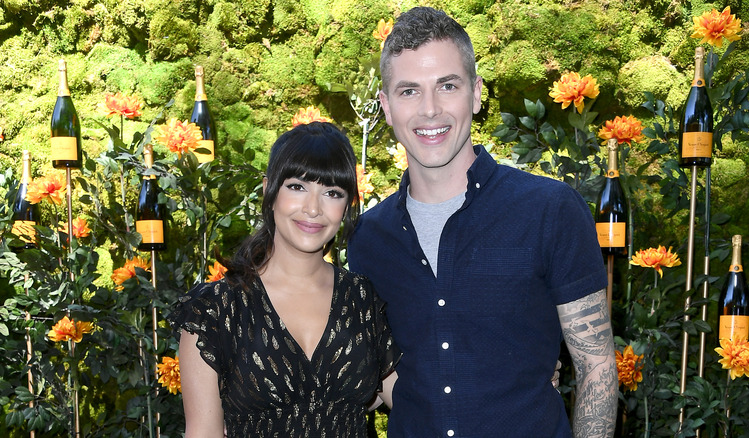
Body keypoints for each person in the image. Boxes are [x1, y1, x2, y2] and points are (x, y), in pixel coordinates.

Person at [347, 7, 617, 438]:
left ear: (475, 93)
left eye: (447, 86)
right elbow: (387, 377)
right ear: (387, 107)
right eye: (409, 91)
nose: (430, 110)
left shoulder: (550, 211)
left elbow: (596, 365)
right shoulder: (368, 239)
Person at [171, 121, 401, 437]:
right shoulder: (215, 310)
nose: (313, 208)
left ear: (346, 205)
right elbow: (204, 431)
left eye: (332, 193)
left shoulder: (362, 298)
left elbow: (411, 398)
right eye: (297, 187)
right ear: (269, 190)